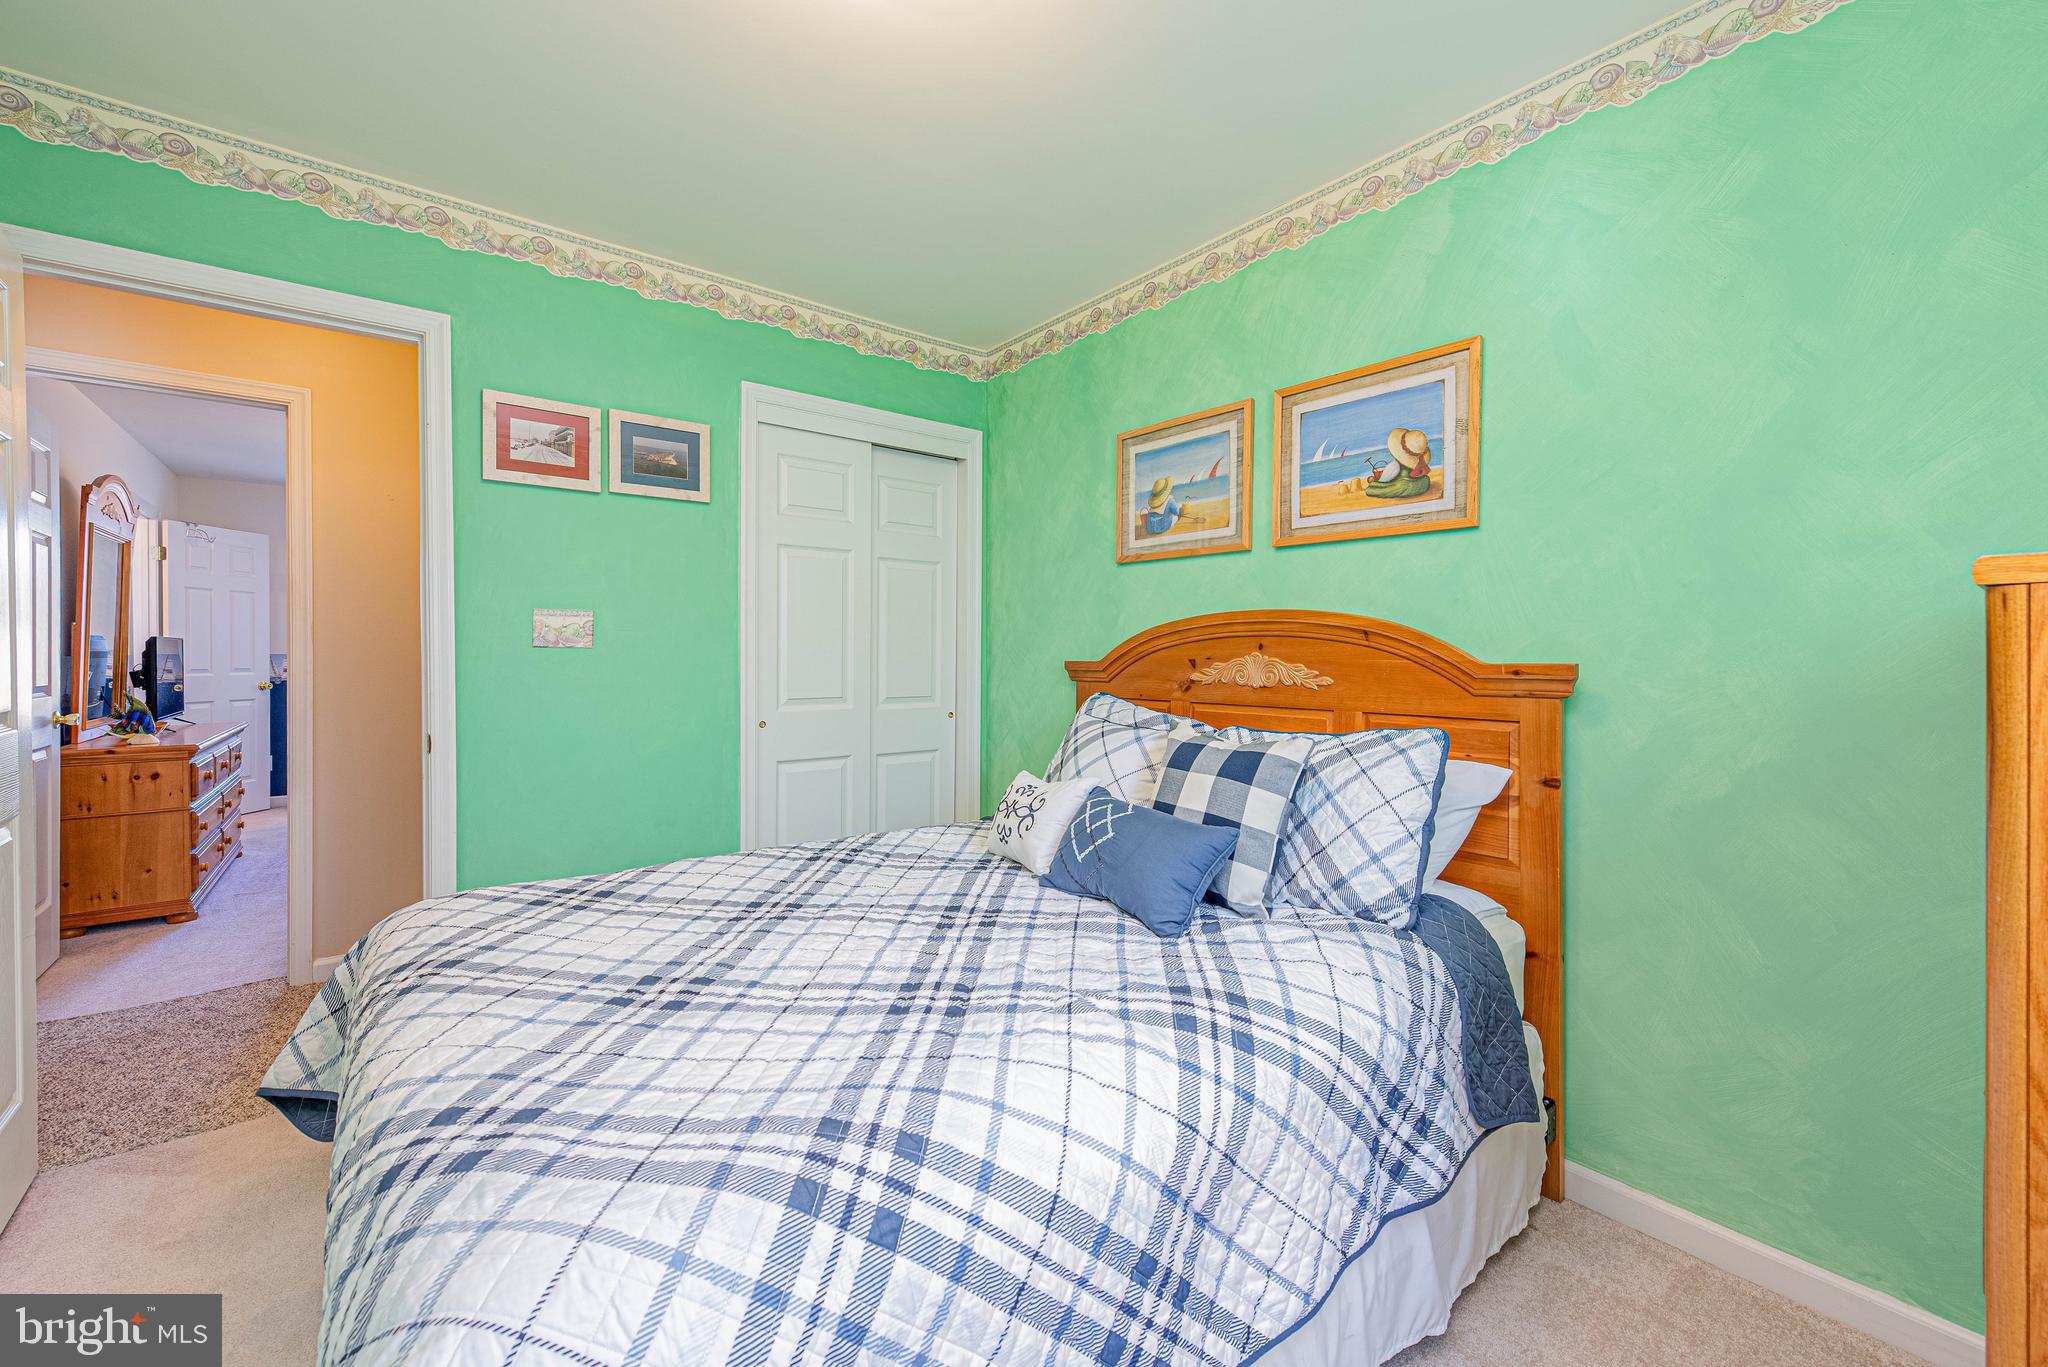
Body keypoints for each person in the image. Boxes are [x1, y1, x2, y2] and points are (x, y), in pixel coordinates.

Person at [1365, 427, 1434, 498]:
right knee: (1425, 480)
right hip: (1420, 482)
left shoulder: (1396, 466)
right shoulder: (1416, 465)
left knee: (1399, 486)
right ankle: (1375, 484)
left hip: (1406, 484)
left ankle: (1375, 484)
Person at [1143, 476, 1207, 535]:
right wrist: (1180, 511)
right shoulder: (1170, 500)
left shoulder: (1154, 503)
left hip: (1150, 528)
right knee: (1176, 515)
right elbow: (1177, 512)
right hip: (1162, 527)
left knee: (1167, 513)